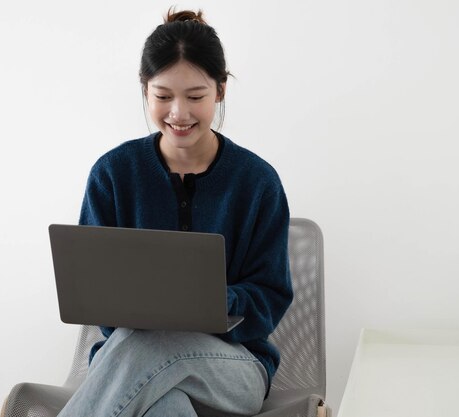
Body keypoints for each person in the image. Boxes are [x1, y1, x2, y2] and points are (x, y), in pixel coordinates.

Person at [56, 8, 293, 417]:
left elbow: (270, 299)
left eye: (196, 97)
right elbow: (95, 297)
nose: (179, 114)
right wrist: (145, 306)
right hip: (127, 361)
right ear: (145, 90)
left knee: (150, 345)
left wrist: (209, 302)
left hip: (233, 369)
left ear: (219, 91)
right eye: (163, 96)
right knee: (166, 405)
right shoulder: (114, 174)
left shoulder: (257, 182)